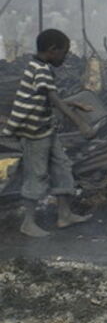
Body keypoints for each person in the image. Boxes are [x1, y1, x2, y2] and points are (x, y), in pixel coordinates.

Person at [1, 29, 96, 237]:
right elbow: (54, 100)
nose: (65, 57)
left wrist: (74, 103)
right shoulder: (41, 70)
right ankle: (28, 223)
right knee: (37, 175)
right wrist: (81, 124)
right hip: (33, 132)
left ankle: (64, 215)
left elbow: (44, 97)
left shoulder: (38, 66)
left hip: (45, 129)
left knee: (62, 166)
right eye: (64, 52)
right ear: (53, 50)